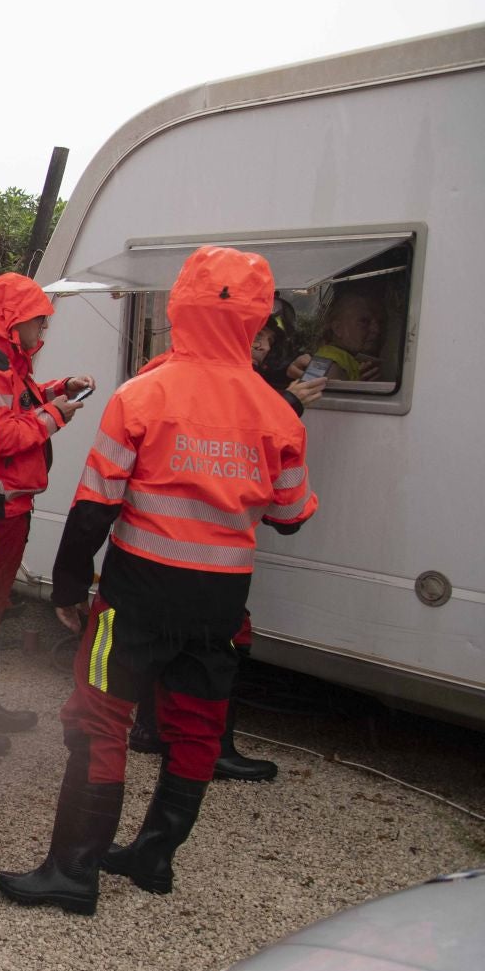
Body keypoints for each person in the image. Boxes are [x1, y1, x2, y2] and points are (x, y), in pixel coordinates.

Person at [0, 246, 318, 916]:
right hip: (221, 600)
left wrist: (66, 588)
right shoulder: (277, 411)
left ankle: (73, 872)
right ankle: (154, 856)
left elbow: (94, 509)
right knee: (196, 728)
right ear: (258, 319)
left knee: (100, 719)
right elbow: (288, 516)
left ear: (178, 309)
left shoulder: (144, 394)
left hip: (137, 591)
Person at [127, 294, 323, 779]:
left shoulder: (168, 373)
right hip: (207, 560)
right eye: (256, 336)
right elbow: (288, 510)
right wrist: (288, 406)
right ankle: (213, 750)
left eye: (268, 341)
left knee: (162, 644)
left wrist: (279, 387)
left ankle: (151, 730)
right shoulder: (237, 393)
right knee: (223, 648)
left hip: (150, 554)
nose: (260, 348)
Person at [0, 274, 91, 734]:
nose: (42, 331)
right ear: (13, 320)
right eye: (37, 322)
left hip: (6, 509)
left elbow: (16, 403)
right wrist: (55, 416)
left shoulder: (5, 358)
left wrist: (58, 389)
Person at [312, 286, 386, 382]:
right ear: (338, 329)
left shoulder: (350, 357)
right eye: (364, 321)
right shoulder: (326, 363)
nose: (377, 330)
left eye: (380, 322)